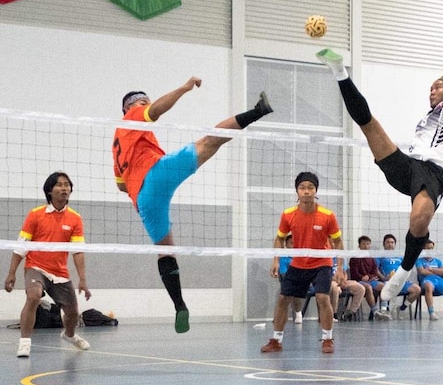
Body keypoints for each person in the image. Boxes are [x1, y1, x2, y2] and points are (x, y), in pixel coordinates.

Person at [316, 47, 443, 304]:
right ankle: (340, 71)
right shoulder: (425, 118)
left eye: (437, 86)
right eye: (430, 87)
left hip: (434, 173)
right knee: (370, 125)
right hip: (408, 166)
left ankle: (403, 271)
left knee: (418, 221)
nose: (432, 91)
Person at [113, 78, 273, 333]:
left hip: (143, 200)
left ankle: (179, 306)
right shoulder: (132, 116)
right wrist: (184, 88)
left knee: (166, 251)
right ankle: (257, 111)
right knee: (210, 141)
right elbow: (155, 111)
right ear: (128, 107)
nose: (147, 103)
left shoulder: (117, 142)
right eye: (143, 100)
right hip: (156, 173)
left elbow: (121, 185)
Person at [5, 172, 92, 358]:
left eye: (67, 185)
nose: (64, 188)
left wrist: (83, 280)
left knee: (72, 312)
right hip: (35, 266)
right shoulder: (35, 215)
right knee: (34, 296)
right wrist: (11, 273)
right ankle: (25, 343)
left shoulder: (75, 218)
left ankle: (69, 335)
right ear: (49, 191)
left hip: (59, 272)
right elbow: (21, 246)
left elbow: (78, 251)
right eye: (59, 185)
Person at [261, 172, 343, 354]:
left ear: (316, 191)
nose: (306, 192)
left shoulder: (327, 215)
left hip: (322, 261)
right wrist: (276, 259)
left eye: (310, 188)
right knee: (283, 299)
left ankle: (327, 339)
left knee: (323, 297)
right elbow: (279, 239)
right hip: (299, 262)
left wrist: (340, 268)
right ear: (297, 191)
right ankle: (276, 340)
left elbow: (338, 242)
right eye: (302, 188)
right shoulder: (288, 214)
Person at [376, 233, 421, 319]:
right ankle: (384, 310)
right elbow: (376, 269)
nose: (390, 244)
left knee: (417, 289)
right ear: (384, 244)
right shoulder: (380, 255)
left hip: (401, 281)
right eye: (388, 242)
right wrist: (383, 277)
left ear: (395, 244)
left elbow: (407, 268)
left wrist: (404, 277)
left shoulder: (400, 256)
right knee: (384, 286)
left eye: (392, 242)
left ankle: (402, 308)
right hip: (388, 281)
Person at [348, 235, 390, 321]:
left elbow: (375, 271)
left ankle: (383, 311)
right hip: (358, 281)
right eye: (363, 244)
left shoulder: (371, 258)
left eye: (368, 244)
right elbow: (354, 273)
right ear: (359, 246)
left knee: (384, 286)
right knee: (368, 287)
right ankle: (375, 312)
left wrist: (369, 276)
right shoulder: (354, 258)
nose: (366, 246)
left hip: (371, 280)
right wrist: (362, 277)